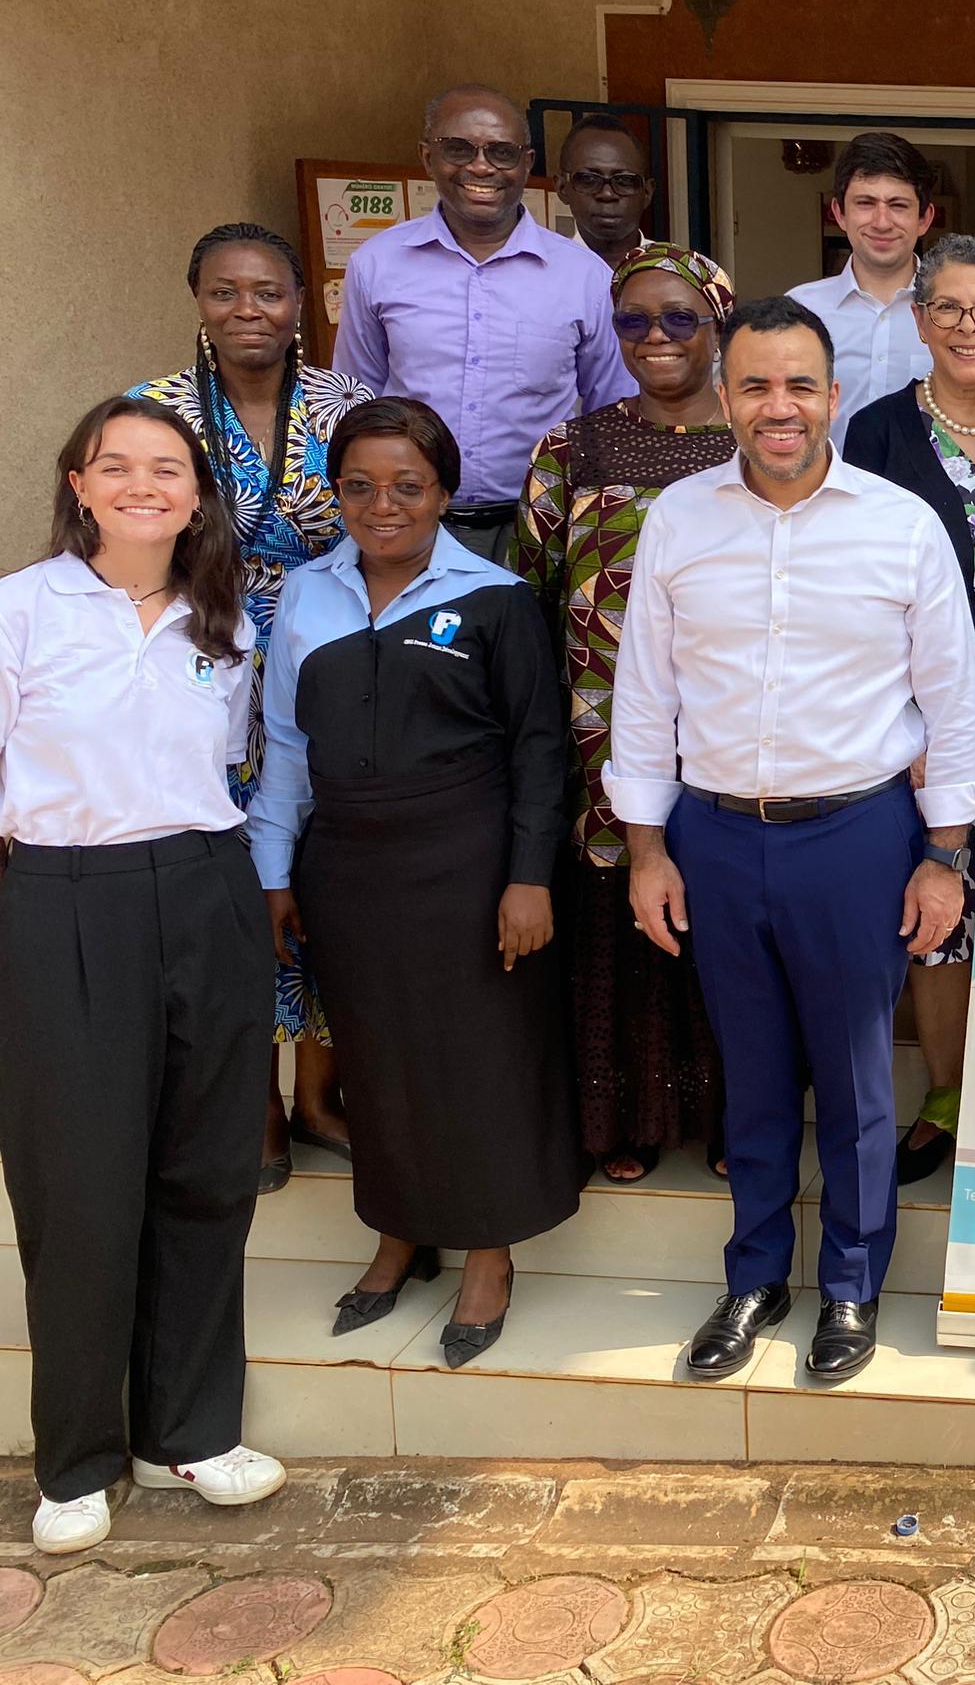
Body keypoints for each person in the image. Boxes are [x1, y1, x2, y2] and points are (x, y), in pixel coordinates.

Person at [609, 296, 975, 1387]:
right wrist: (647, 849)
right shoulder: (680, 520)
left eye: (801, 385)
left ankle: (855, 1284)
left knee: (861, 1079)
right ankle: (756, 1275)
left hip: (859, 835)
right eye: (758, 385)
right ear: (725, 397)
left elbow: (949, 703)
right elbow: (645, 696)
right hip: (715, 836)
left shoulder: (899, 524)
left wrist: (943, 855)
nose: (781, 407)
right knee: (756, 1070)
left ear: (834, 396)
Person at [0, 396, 284, 1555]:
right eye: (115, 466)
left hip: (207, 891)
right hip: (63, 898)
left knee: (207, 1168)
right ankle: (75, 1458)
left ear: (196, 492)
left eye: (166, 468)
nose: (142, 485)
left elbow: (233, 764)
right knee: (77, 1184)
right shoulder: (21, 609)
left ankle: (195, 1428)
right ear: (78, 482)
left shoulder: (227, 620)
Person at [253, 395, 579, 1369]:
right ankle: (399, 1235)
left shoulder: (494, 598)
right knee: (376, 1059)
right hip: (347, 867)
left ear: (442, 492)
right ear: (337, 493)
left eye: (406, 485)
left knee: (477, 1057)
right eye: (359, 486)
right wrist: (276, 874)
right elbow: (282, 745)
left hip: (469, 868)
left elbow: (539, 748)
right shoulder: (306, 596)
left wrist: (528, 878)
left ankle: (487, 1251)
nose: (382, 504)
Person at [127, 222, 375, 1190]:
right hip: (204, 659)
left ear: (299, 303)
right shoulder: (154, 412)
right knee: (234, 882)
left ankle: (320, 1095)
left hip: (327, 651)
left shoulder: (344, 405)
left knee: (319, 865)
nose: (248, 311)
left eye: (267, 292)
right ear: (197, 300)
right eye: (226, 292)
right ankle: (256, 1105)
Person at [516, 244, 739, 1187]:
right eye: (634, 320)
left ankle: (739, 1114)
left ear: (717, 325)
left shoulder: (756, 443)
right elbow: (530, 588)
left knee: (730, 917)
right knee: (622, 909)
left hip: (729, 725)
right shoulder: (575, 447)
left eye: (679, 317)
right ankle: (631, 1115)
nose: (656, 338)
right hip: (603, 732)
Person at [840, 235, 975, 1188]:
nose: (966, 326)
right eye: (946, 307)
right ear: (918, 320)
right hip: (929, 713)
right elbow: (859, 585)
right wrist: (899, 729)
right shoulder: (875, 433)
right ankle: (948, 1090)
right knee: (937, 913)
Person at [337, 86, 631, 559]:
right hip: (413, 526)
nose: (480, 167)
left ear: (526, 163)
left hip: (540, 526)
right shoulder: (376, 264)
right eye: (459, 149)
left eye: (501, 152)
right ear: (427, 156)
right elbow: (355, 401)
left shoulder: (584, 277)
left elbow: (610, 411)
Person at [785, 132, 938, 435]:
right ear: (839, 213)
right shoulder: (798, 310)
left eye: (898, 205)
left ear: (924, 219)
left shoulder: (955, 316)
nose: (882, 222)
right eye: (865, 203)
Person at [555, 114, 661, 274]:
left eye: (624, 180)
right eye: (589, 179)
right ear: (562, 188)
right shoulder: (539, 279)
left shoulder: (681, 277)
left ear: (647, 192)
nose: (607, 194)